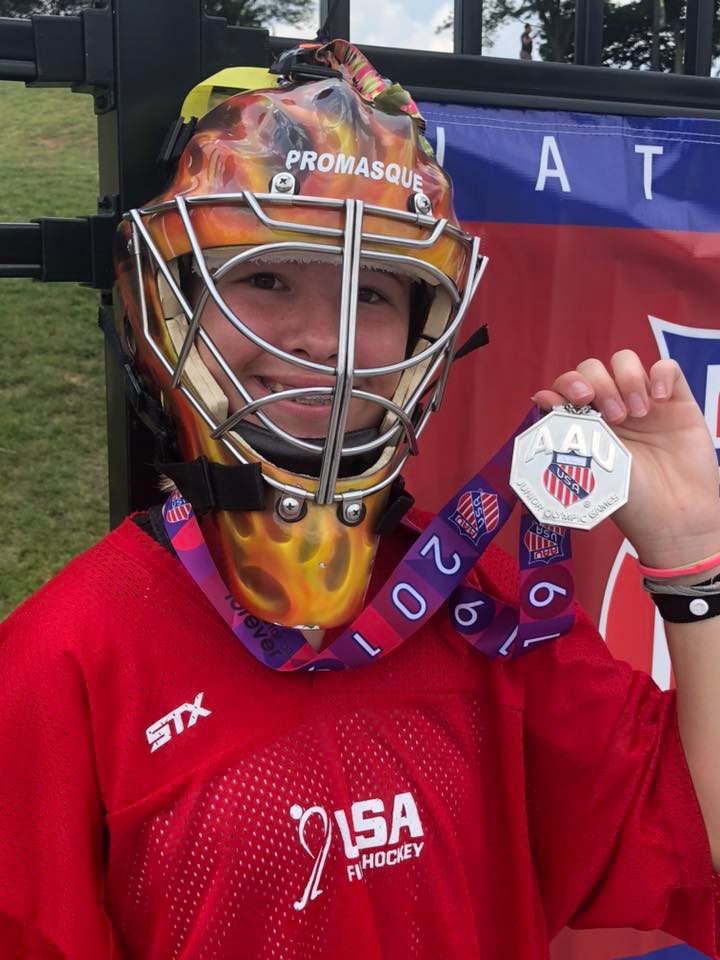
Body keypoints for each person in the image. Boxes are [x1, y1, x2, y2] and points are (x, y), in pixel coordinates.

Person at [1, 38, 720, 960]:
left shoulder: (491, 622)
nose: (325, 340)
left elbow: (697, 843)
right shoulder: (61, 662)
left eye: (372, 291)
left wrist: (695, 555)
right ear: (169, 301)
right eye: (264, 276)